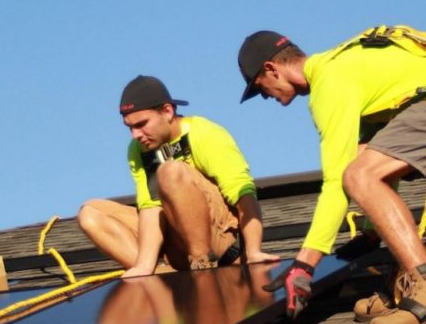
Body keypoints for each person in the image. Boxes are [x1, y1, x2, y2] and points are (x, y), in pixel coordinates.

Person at [237, 26, 426, 324]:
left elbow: (338, 182)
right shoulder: (343, 66)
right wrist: (370, 234)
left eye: (260, 88)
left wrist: (304, 265)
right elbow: (376, 148)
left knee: (356, 175)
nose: (264, 97)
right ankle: (403, 282)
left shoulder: (330, 82)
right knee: (363, 161)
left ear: (271, 69)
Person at [78, 75, 278, 277]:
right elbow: (150, 208)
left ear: (167, 111)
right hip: (177, 248)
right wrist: (144, 266)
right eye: (130, 127)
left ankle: (202, 263)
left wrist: (253, 252)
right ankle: (160, 275)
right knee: (90, 214)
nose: (136, 135)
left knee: (170, 171)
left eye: (142, 124)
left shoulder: (203, 132)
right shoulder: (138, 150)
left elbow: (243, 192)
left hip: (221, 242)